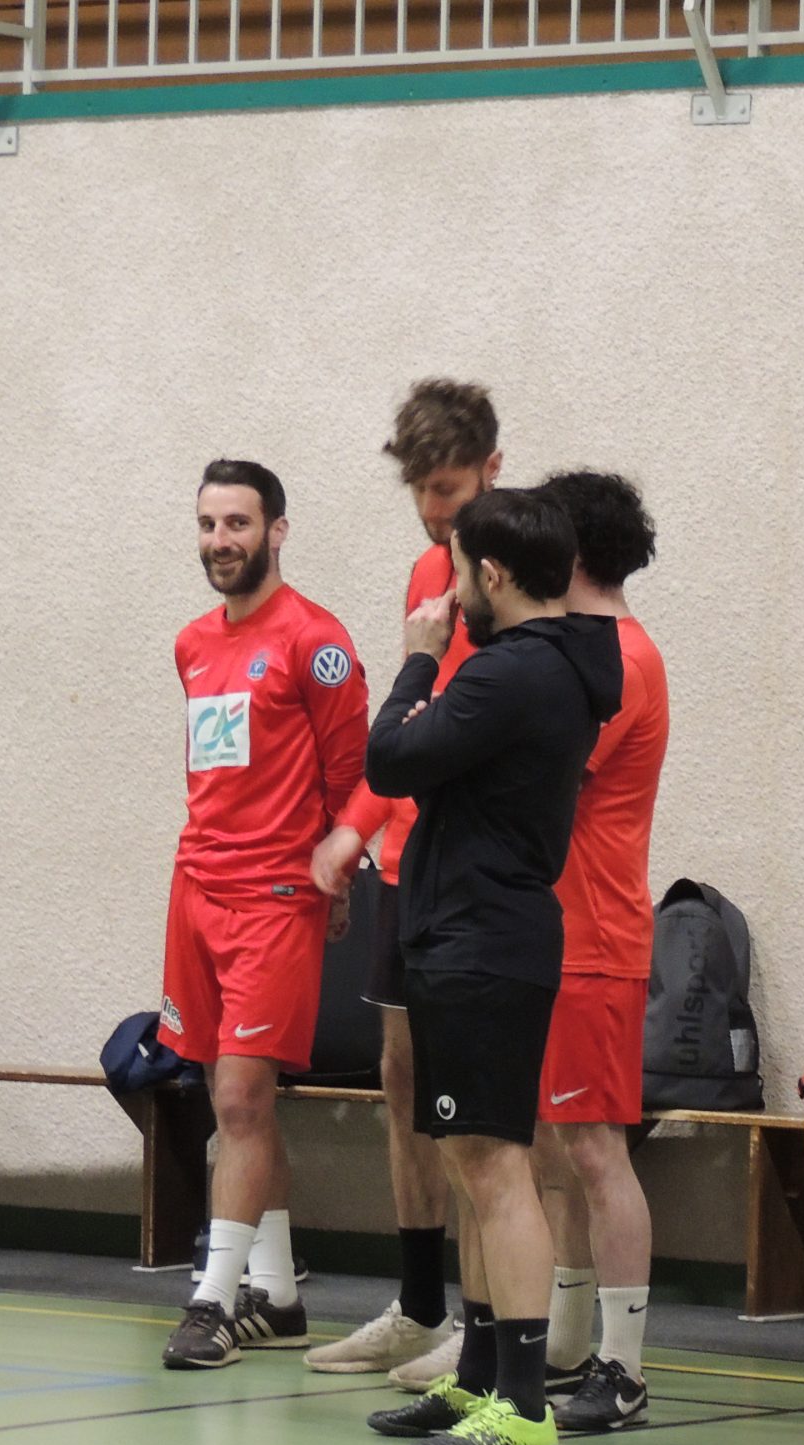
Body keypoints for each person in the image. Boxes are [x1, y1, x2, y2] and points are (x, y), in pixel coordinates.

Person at [361, 490, 621, 1445]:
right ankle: (478, 1377)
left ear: (495, 575)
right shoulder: (544, 666)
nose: (452, 591)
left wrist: (418, 657)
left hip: (483, 942)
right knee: (471, 1165)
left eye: (462, 571)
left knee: (498, 1169)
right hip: (463, 936)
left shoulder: (514, 672)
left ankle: (520, 1405)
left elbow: (389, 759)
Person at [306, 380, 503, 1383]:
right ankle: (421, 1305)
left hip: (479, 870)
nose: (434, 509)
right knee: (402, 1077)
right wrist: (355, 829)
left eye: (450, 488)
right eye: (422, 491)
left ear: (491, 470)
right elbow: (408, 722)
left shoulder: (519, 573)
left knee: (478, 1106)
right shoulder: (428, 571)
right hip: (408, 858)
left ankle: (492, 1317)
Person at [157, 460, 371, 1369]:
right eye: (208, 525)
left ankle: (212, 1302)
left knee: (243, 1100)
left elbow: (359, 777)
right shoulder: (191, 644)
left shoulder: (316, 643)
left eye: (237, 524)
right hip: (196, 894)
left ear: (277, 531)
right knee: (232, 1104)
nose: (220, 542)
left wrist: (338, 871)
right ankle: (277, 1296)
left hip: (276, 902)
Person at [527, 471, 669, 1435]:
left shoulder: (622, 660)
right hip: (551, 930)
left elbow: (544, 775)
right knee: (554, 1145)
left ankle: (623, 1369)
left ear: (573, 551)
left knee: (595, 1147)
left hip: (596, 937)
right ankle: (568, 1344)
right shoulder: (580, 651)